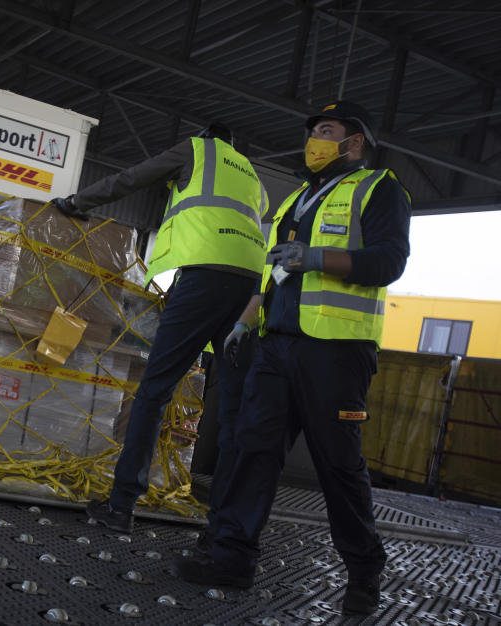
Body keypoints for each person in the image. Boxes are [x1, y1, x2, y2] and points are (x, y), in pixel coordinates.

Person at [172, 101, 411, 617]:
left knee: (338, 466)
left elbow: (389, 262)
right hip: (276, 347)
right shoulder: (299, 200)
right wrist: (243, 322)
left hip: (337, 354)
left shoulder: (379, 188)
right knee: (251, 450)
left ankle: (365, 571)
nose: (313, 141)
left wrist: (318, 258)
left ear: (355, 142)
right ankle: (232, 556)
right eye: (311, 133)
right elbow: (275, 273)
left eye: (325, 131)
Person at [51, 123, 267, 534]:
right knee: (237, 406)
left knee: (154, 391)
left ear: (206, 136)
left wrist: (78, 202)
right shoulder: (252, 176)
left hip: (203, 279)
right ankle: (228, 520)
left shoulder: (196, 150)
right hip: (248, 289)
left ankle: (121, 504)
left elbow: (132, 179)